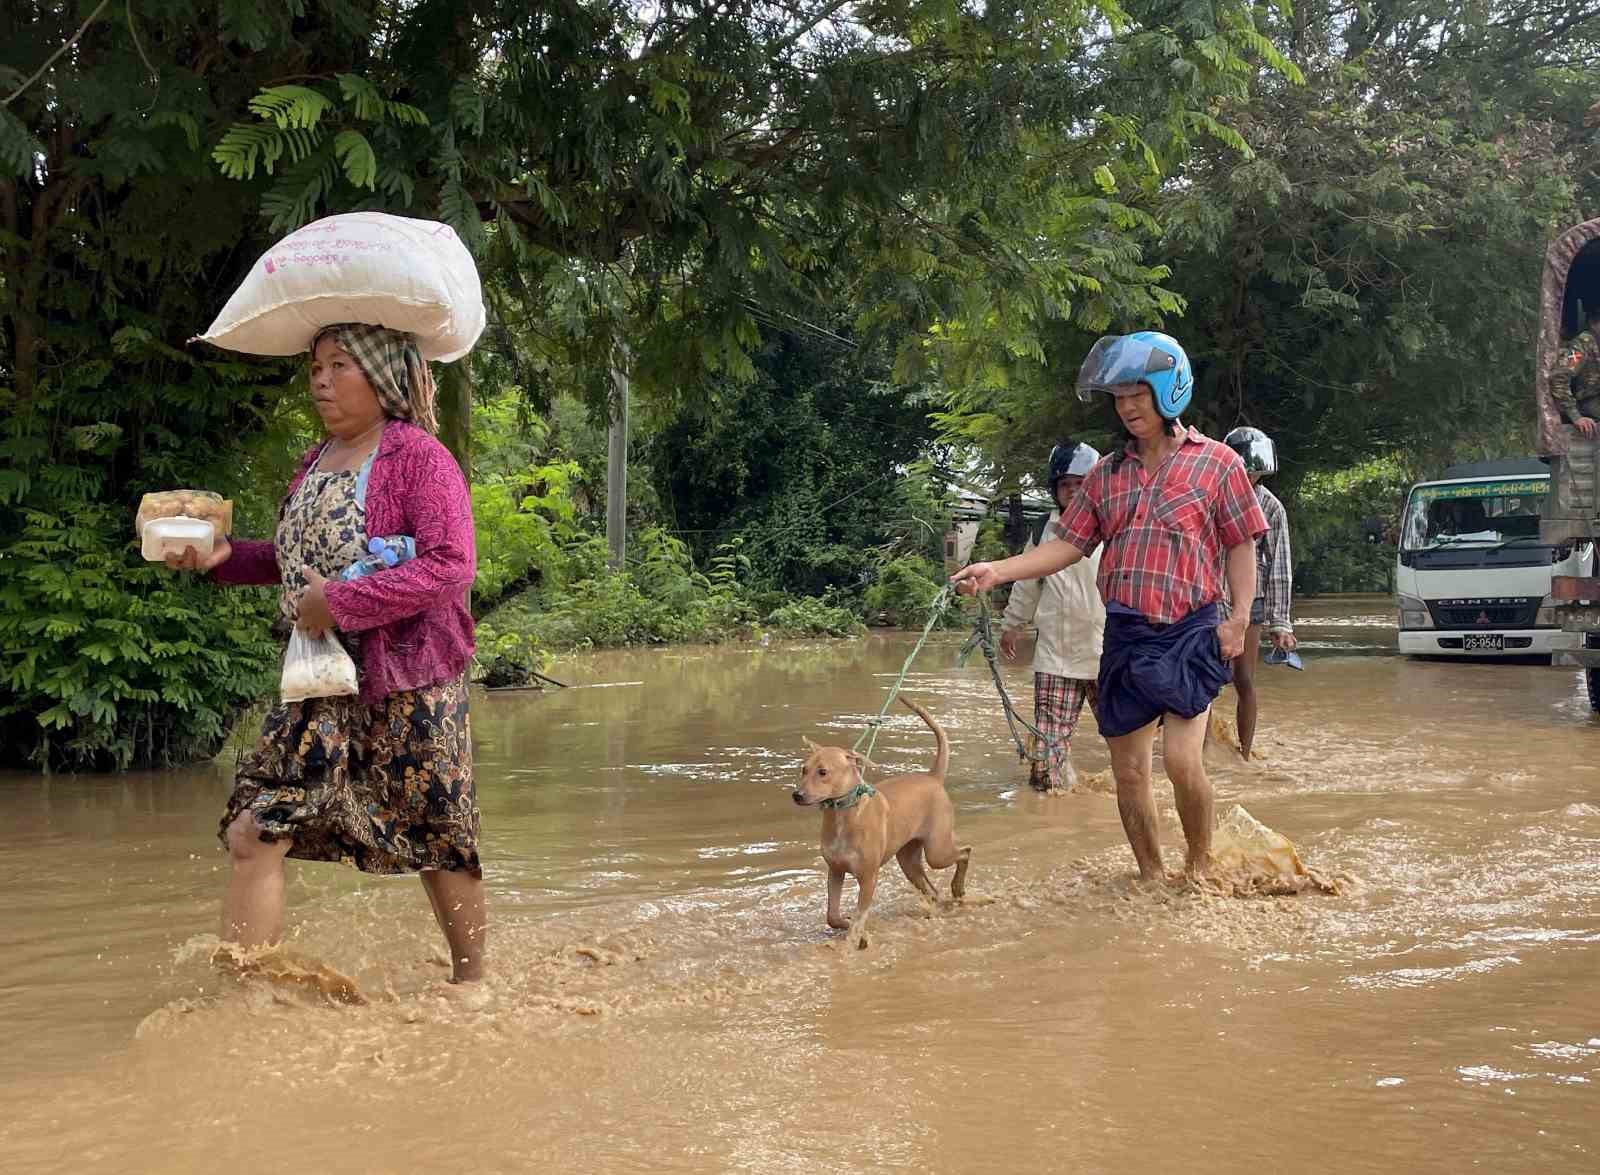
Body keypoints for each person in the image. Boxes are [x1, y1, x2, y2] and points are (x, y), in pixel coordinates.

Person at [165, 323, 486, 984]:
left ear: (381, 375)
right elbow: (293, 566)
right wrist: (223, 557)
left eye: (339, 365)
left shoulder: (420, 457)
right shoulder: (314, 461)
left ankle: (473, 984)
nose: (320, 379)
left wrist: (342, 603)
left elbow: (451, 566)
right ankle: (244, 1003)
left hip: (409, 681)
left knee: (438, 839)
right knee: (255, 828)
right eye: (315, 365)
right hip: (316, 679)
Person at [952, 331, 1267, 882]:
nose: (1126, 408)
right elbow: (1067, 545)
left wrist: (1239, 619)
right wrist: (996, 570)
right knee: (1128, 772)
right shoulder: (1106, 476)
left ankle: (1197, 867)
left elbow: (1242, 543)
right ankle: (1149, 876)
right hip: (1122, 635)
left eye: (1136, 395)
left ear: (1168, 390)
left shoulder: (1217, 465)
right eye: (1118, 398)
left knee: (1181, 761)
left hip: (1192, 631)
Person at [998, 441, 1105, 793]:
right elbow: (1027, 582)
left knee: (1127, 741)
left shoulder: (1114, 525)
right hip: (1056, 655)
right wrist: (1011, 626)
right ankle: (1052, 800)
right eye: (1065, 485)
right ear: (1054, 490)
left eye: (1081, 484)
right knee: (1045, 760)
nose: (1073, 492)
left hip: (1108, 653)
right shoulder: (1044, 530)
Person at [1220, 426, 1296, 761]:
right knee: (1203, 677)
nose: (1249, 475)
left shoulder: (1271, 508)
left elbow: (1280, 566)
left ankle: (1245, 754)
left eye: (1254, 470)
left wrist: (1281, 623)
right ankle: (1200, 751)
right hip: (1210, 595)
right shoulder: (1212, 496)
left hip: (1251, 600)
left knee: (1243, 678)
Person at [1549, 301, 1600, 438]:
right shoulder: (1583, 345)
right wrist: (1575, 416)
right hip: (1586, 404)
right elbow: (1559, 377)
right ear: (1596, 323)